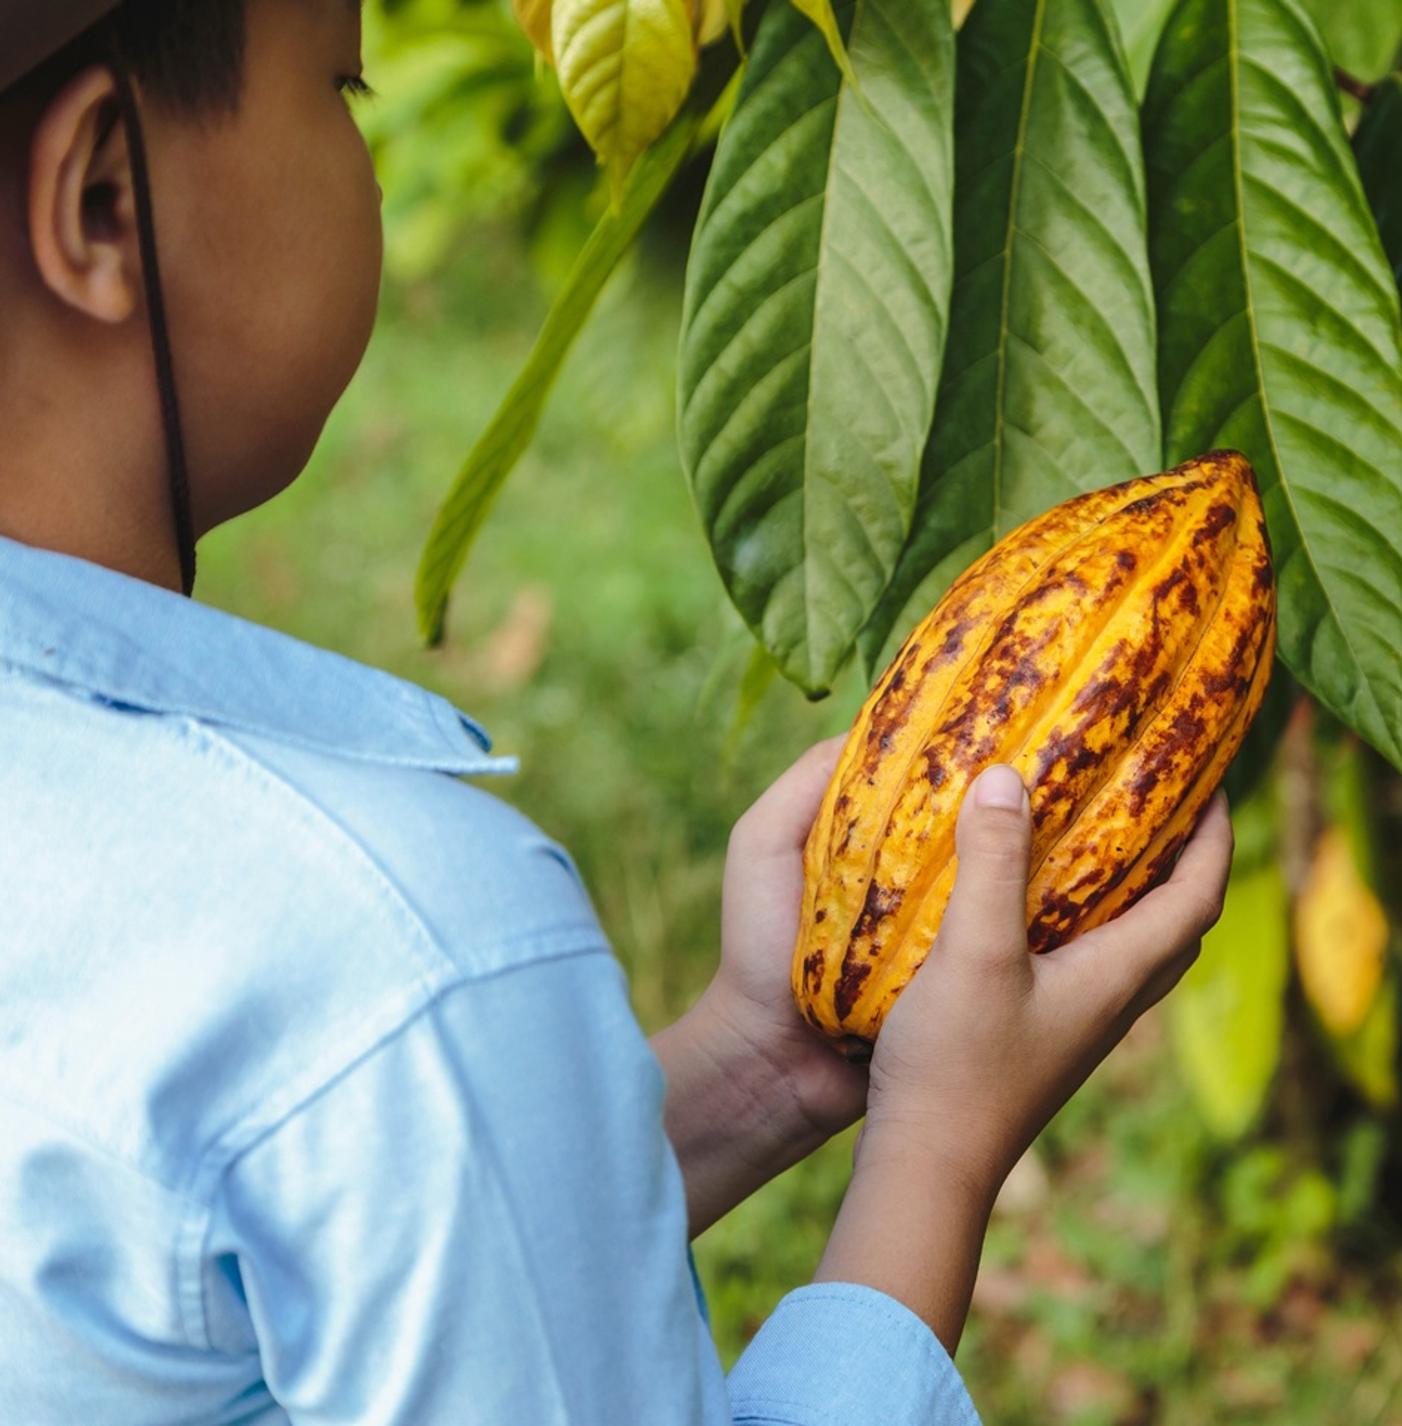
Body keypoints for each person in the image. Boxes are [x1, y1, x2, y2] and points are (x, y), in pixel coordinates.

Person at [0, 2, 1232, 1421]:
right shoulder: (387, 952)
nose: (376, 162)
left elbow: (368, 1249)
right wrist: (940, 1146)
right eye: (341, 87)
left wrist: (759, 1065)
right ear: (101, 198)